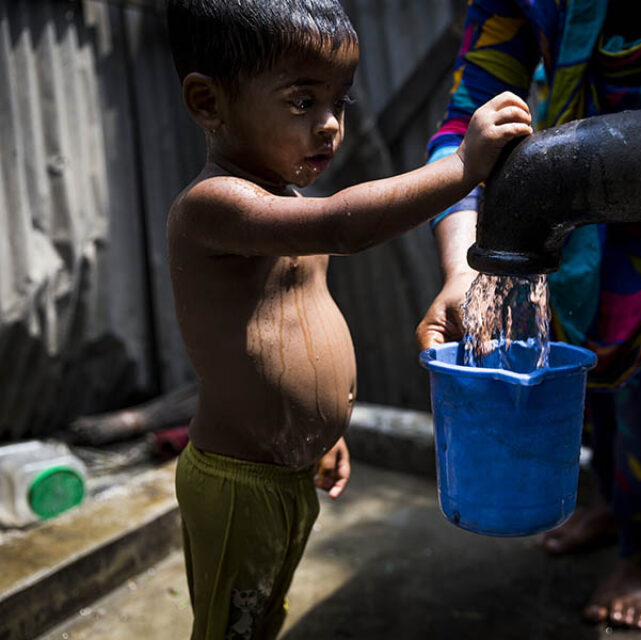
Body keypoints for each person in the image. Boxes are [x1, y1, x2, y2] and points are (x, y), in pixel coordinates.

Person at [165, 1, 532, 637]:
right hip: (237, 482)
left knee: (263, 612)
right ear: (208, 103)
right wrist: (463, 168)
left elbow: (295, 324)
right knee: (230, 625)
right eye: (303, 102)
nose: (332, 125)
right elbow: (344, 224)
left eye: (341, 103)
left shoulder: (285, 200)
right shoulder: (214, 206)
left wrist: (321, 433)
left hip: (287, 467)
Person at [416, 0, 641, 630]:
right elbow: (462, 124)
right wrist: (463, 268)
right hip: (577, 215)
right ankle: (613, 504)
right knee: (586, 377)